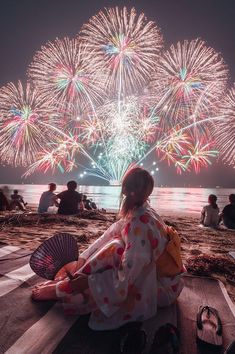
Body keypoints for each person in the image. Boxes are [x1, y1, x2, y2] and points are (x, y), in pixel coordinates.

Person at [32, 167, 185, 330]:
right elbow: (110, 233)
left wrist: (85, 282)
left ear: (125, 188)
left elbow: (126, 279)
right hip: (159, 279)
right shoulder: (142, 211)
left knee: (115, 248)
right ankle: (71, 281)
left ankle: (66, 289)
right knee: (116, 243)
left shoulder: (140, 222)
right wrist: (81, 261)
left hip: (161, 289)